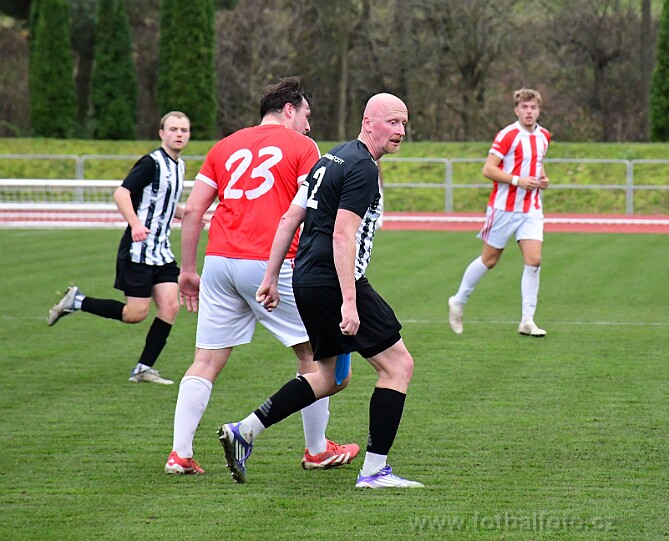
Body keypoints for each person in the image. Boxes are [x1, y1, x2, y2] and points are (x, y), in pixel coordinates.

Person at [217, 92, 422, 489]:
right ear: (368, 122)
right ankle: (374, 471)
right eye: (392, 122)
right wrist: (350, 301)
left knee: (328, 377)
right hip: (335, 281)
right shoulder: (362, 168)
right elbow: (343, 235)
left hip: (307, 279)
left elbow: (290, 218)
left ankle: (245, 430)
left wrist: (271, 277)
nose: (400, 131)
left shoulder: (331, 157)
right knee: (398, 367)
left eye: (403, 124)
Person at [166, 77, 358, 476]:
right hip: (272, 261)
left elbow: (194, 210)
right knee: (316, 357)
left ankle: (179, 455)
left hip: (220, 261)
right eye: (306, 115)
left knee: (205, 360)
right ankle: (316, 450)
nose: (308, 125)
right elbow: (313, 210)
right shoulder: (302, 147)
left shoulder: (225, 145)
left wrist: (187, 270)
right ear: (289, 109)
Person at [47, 111, 192, 385]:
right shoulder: (151, 163)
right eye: (173, 129)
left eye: (183, 130)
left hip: (162, 251)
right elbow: (121, 193)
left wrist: (184, 213)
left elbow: (162, 202)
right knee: (135, 314)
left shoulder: (179, 166)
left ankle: (143, 368)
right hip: (139, 250)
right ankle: (77, 301)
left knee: (170, 307)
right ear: (161, 133)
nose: (179, 134)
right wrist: (135, 224)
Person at [447, 88, 552, 337]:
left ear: (539, 110)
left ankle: (527, 320)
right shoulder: (507, 135)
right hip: (504, 208)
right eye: (524, 107)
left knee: (534, 260)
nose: (529, 112)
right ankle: (458, 301)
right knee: (490, 260)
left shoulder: (544, 136)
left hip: (531, 208)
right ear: (516, 110)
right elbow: (488, 169)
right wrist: (518, 181)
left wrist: (542, 178)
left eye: (533, 107)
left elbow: (536, 163)